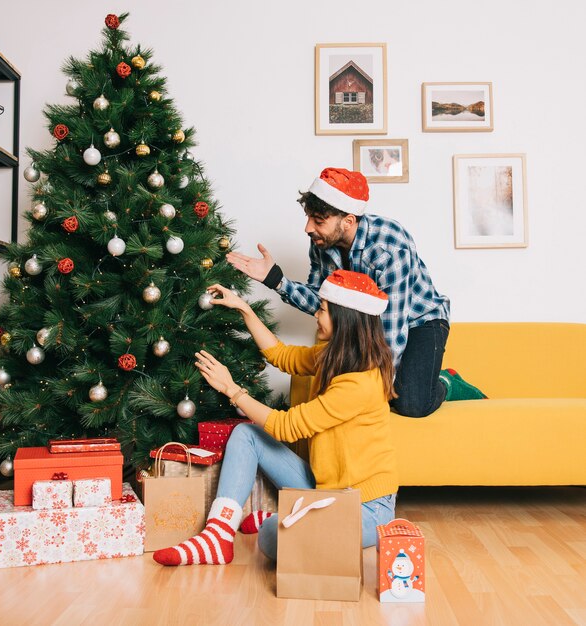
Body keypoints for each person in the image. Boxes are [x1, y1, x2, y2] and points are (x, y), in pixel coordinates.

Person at [153, 269, 398, 567]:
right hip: (324, 489)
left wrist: (232, 389)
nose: (316, 316)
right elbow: (281, 355)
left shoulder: (360, 383)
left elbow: (287, 427)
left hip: (364, 507)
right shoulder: (333, 357)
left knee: (272, 534)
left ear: (345, 320)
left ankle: (283, 515)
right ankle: (218, 535)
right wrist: (244, 308)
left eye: (322, 310)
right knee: (246, 435)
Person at [226, 167, 485, 417]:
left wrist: (375, 390)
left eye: (318, 221)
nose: (307, 228)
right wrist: (276, 280)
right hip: (368, 326)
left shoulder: (389, 246)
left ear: (348, 221)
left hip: (420, 320)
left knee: (410, 404)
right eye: (308, 218)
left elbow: (392, 331)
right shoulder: (321, 243)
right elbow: (322, 302)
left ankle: (446, 382)